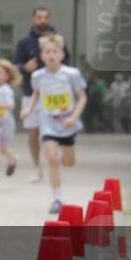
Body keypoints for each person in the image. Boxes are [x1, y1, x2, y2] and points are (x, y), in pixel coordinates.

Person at [20, 34, 86, 213]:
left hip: (67, 122)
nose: (51, 55)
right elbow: (36, 93)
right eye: (47, 52)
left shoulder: (72, 74)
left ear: (62, 54)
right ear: (42, 55)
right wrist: (28, 110)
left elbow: (82, 97)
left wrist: (74, 117)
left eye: (55, 52)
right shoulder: (37, 76)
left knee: (69, 162)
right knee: (51, 157)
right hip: (48, 120)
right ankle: (57, 199)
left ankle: (66, 156)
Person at [13, 6, 66, 183]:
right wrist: (24, 67)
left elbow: (67, 63)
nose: (42, 20)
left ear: (49, 19)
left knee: (55, 130)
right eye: (39, 17)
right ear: (33, 19)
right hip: (31, 93)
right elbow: (14, 65)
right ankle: (36, 166)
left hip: (54, 94)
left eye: (45, 17)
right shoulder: (24, 42)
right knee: (33, 132)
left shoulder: (58, 40)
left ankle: (54, 160)